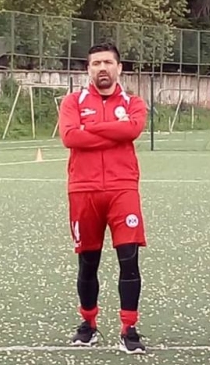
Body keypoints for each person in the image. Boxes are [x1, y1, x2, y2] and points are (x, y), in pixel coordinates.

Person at [58, 42, 147, 355]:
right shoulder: (73, 101)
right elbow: (70, 136)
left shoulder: (133, 102)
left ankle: (129, 328)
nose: (102, 68)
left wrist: (91, 128)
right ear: (88, 69)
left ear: (119, 68)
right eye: (96, 63)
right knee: (88, 263)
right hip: (83, 190)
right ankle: (88, 324)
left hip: (123, 189)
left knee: (129, 261)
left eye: (108, 62)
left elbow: (133, 129)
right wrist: (114, 130)